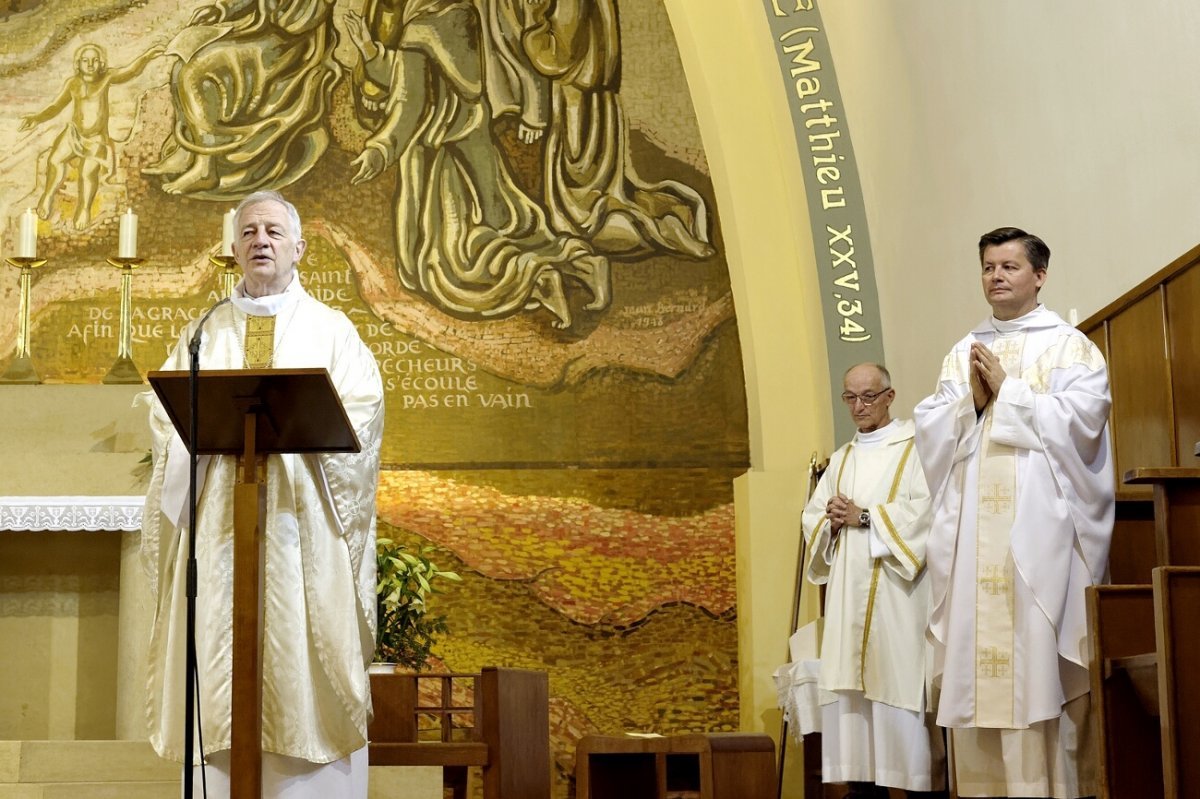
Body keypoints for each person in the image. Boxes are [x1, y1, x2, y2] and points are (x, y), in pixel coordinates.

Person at [139, 190, 384, 798]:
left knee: (300, 657)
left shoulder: (332, 331)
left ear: (299, 248)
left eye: (274, 231)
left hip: (301, 527)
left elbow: (364, 409)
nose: (260, 240)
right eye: (248, 231)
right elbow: (168, 413)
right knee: (217, 661)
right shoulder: (203, 333)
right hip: (222, 534)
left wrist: (296, 434)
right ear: (233, 247)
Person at [914, 227, 1114, 798]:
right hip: (974, 541)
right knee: (976, 667)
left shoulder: (1069, 346)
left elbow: (1085, 423)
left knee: (1035, 667)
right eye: (987, 267)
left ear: (1039, 276)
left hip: (1039, 539)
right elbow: (932, 429)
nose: (996, 276)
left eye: (1008, 266)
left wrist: (1011, 392)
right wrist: (974, 402)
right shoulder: (961, 352)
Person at [803, 363, 946, 798]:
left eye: (868, 396)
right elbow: (812, 518)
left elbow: (927, 515)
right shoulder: (841, 460)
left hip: (898, 601)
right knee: (858, 738)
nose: (859, 407)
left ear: (889, 396)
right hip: (849, 602)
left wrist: (864, 517)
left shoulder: (915, 448)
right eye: (850, 398)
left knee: (901, 711)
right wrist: (827, 522)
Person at [20, 43, 163, 228]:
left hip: (96, 138)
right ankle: (47, 196)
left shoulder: (107, 77)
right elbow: (56, 106)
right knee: (55, 159)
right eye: (85, 61)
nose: (90, 64)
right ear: (78, 64)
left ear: (101, 64)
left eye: (94, 61)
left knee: (87, 173)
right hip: (74, 134)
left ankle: (84, 208)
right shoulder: (73, 83)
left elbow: (130, 72)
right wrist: (36, 118)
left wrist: (146, 56)